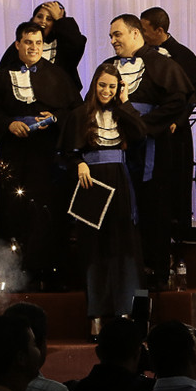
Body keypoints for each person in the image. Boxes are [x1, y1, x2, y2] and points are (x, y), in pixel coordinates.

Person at [0, 21, 82, 289]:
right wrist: (8, 124)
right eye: (28, 42)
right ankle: (13, 274)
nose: (34, 48)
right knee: (13, 209)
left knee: (46, 212)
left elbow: (76, 110)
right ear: (17, 45)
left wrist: (55, 118)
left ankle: (47, 273)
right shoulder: (3, 76)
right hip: (14, 155)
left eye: (38, 43)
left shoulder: (58, 75)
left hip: (47, 156)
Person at [102, 14, 191, 288]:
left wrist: (142, 125)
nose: (113, 40)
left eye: (117, 34)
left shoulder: (161, 63)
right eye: (111, 36)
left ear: (135, 33)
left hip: (150, 151)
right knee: (120, 209)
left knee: (153, 209)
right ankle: (123, 273)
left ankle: (155, 273)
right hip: (116, 149)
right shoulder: (109, 67)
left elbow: (179, 100)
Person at [59, 63, 147, 335]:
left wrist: (125, 102)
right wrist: (79, 164)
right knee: (94, 250)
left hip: (120, 181)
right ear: (94, 84)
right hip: (91, 184)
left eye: (112, 86)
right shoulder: (79, 114)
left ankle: (127, 312)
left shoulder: (124, 113)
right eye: (102, 85)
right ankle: (96, 316)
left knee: (125, 247)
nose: (106, 90)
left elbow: (141, 134)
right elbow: (65, 152)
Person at [141, 6, 196, 232]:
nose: (141, 34)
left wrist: (177, 120)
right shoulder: (141, 55)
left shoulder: (182, 55)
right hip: (150, 128)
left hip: (175, 132)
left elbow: (194, 93)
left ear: (159, 30)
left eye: (144, 30)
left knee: (175, 182)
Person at [0, 0, 88, 90]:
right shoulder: (22, 45)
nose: (43, 21)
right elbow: (2, 76)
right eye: (39, 17)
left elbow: (77, 44)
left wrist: (60, 19)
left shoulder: (63, 46)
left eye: (49, 19)